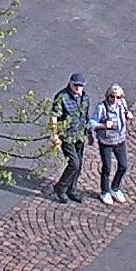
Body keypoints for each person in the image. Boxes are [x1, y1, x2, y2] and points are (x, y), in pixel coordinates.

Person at [49, 73, 88, 203]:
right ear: (70, 83)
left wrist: (89, 134)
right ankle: (60, 187)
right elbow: (54, 116)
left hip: (80, 135)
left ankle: (72, 188)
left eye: (80, 86)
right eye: (75, 85)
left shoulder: (85, 97)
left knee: (79, 163)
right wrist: (54, 135)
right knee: (74, 163)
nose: (78, 88)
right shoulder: (62, 97)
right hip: (66, 136)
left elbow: (85, 116)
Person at [91, 83, 130, 204]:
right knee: (107, 167)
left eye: (118, 97)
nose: (115, 100)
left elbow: (124, 115)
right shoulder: (102, 107)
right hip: (106, 142)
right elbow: (91, 123)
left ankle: (115, 188)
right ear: (108, 96)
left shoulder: (122, 104)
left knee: (123, 166)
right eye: (112, 97)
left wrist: (127, 116)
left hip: (120, 140)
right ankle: (105, 191)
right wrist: (103, 125)